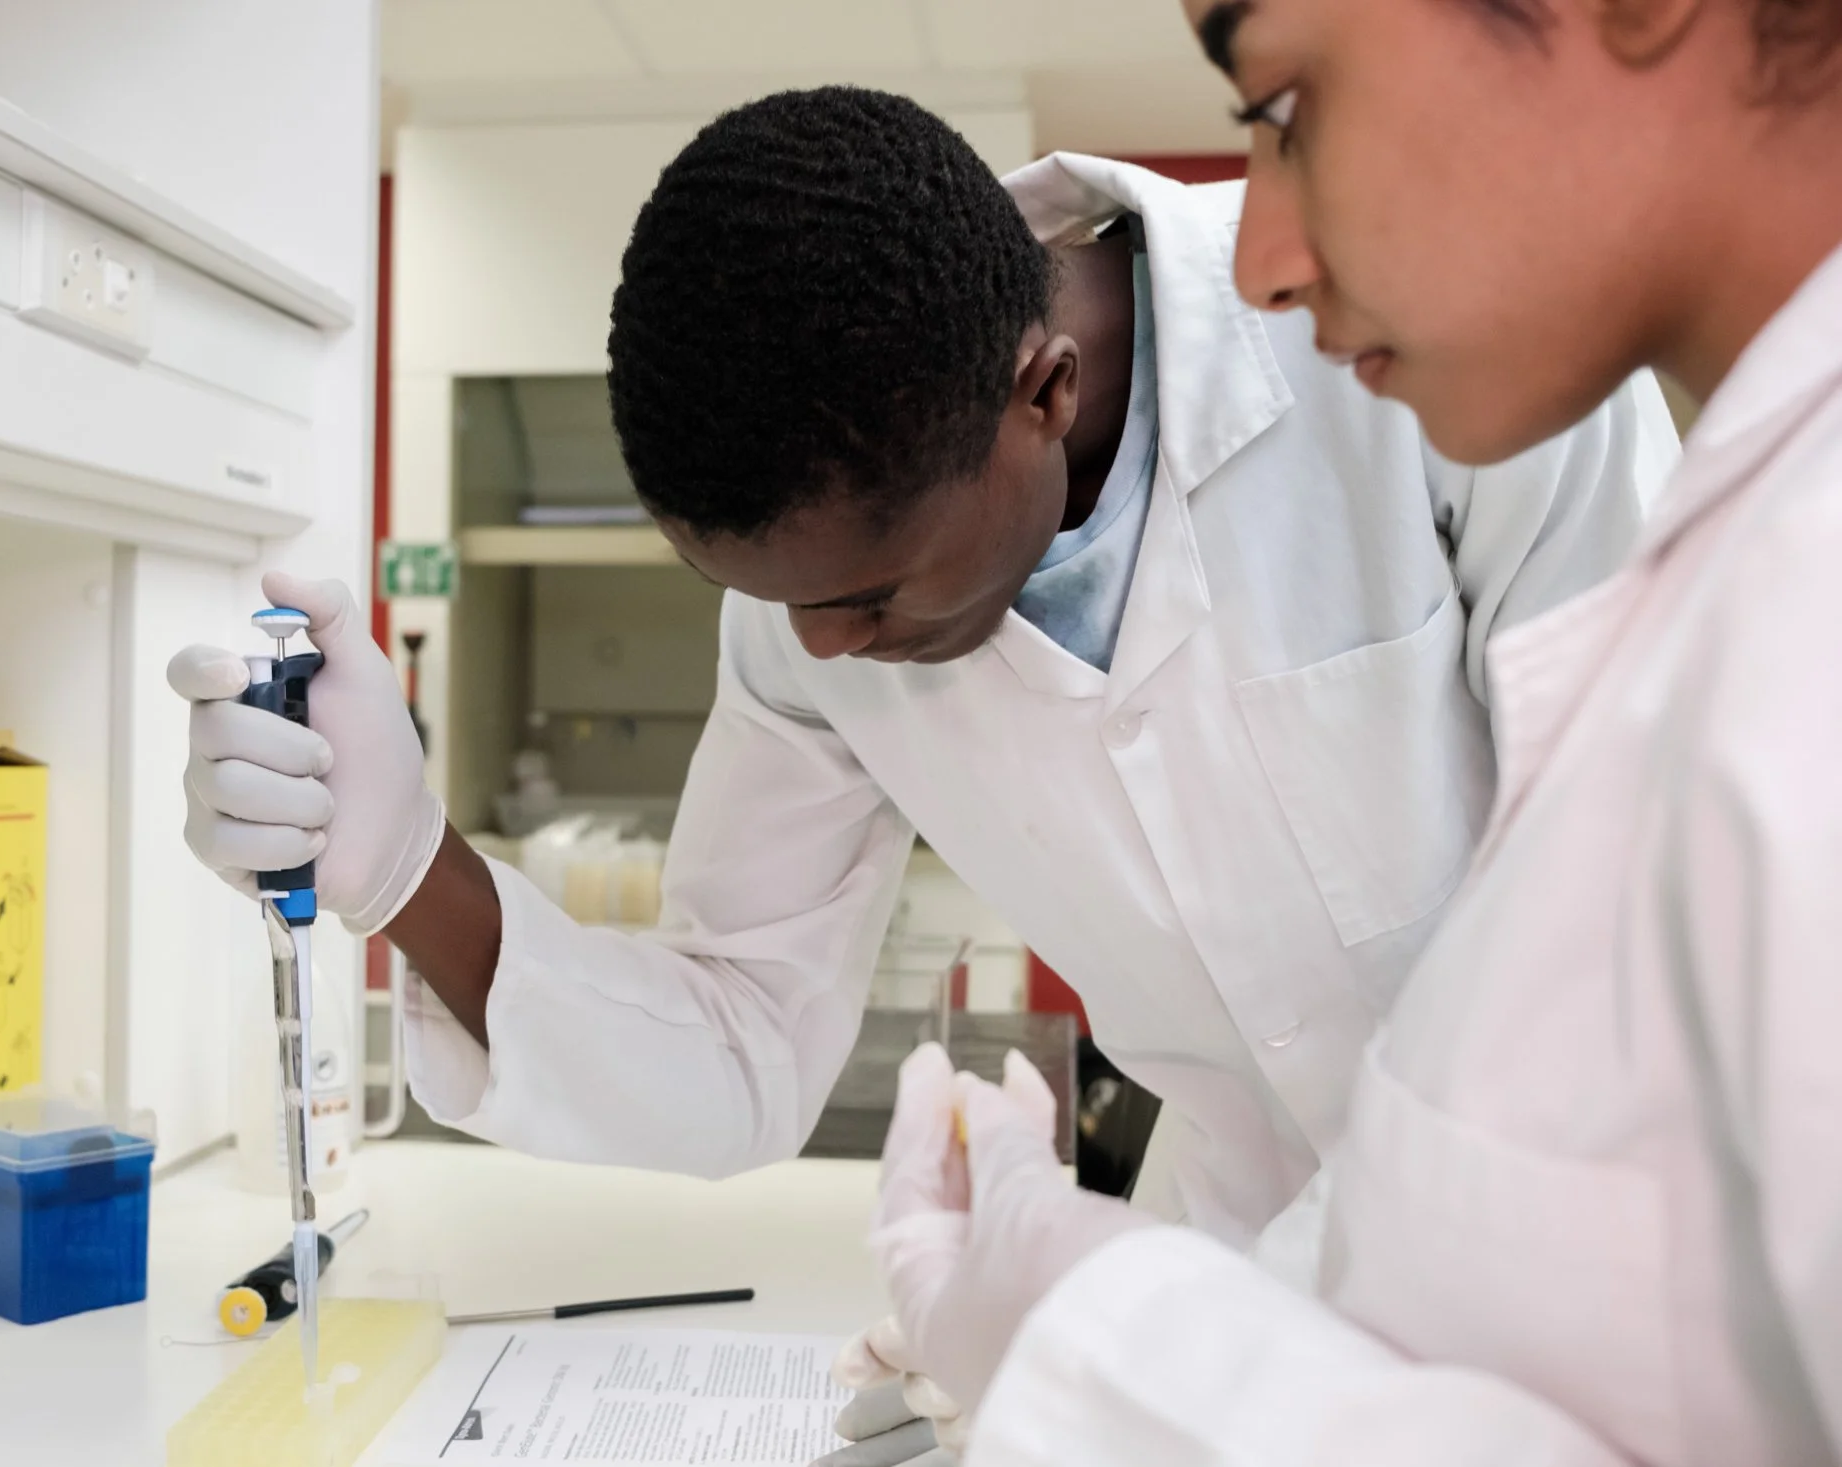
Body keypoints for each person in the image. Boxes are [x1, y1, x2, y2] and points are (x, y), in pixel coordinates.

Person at [168, 87, 1672, 1461]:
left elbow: (1630, 936)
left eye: (871, 593)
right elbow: (745, 1044)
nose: (827, 647)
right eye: (780, 603)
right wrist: (406, 872)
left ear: (1045, 393)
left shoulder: (1402, 334)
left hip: (1619, 1266)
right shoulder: (806, 617)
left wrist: (1130, 1330)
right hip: (1232, 1275)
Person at [863, 1, 1842, 1463]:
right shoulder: (1751, 562)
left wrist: (1098, 1350)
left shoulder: (1800, 609)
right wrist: (1105, 1330)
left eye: (1285, 109)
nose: (1263, 259)